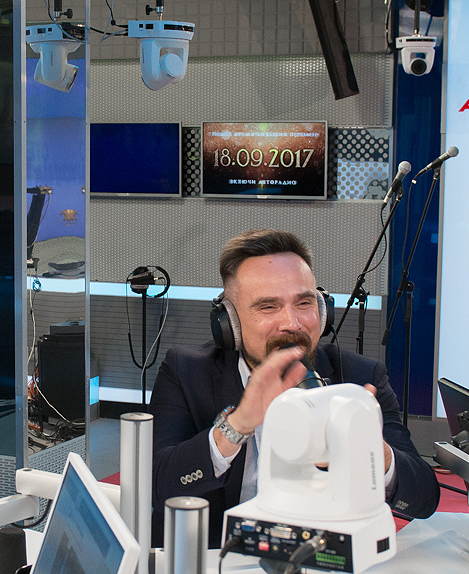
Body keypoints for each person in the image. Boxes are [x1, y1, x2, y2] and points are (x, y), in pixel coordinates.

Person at [148, 229, 438, 543]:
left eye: (303, 302)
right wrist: (237, 425)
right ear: (229, 322)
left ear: (323, 310)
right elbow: (158, 487)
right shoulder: (186, 371)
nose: (292, 323)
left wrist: (372, 453)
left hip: (316, 560)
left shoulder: (358, 378)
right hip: (213, 560)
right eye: (268, 307)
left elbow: (424, 499)